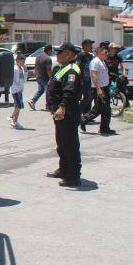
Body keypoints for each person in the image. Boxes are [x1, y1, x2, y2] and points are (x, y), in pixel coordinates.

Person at [45, 42, 83, 187]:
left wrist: (62, 107)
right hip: (60, 114)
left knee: (70, 144)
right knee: (61, 143)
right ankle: (64, 169)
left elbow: (69, 91)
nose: (57, 56)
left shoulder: (72, 70)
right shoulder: (64, 68)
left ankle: (73, 176)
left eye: (59, 53)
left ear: (68, 54)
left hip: (68, 113)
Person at [81, 45, 115, 135]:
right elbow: (94, 75)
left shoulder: (102, 61)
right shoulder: (95, 62)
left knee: (107, 109)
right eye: (105, 52)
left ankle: (104, 128)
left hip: (105, 87)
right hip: (99, 88)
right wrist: (98, 89)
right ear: (99, 53)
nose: (107, 54)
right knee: (99, 109)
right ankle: (83, 120)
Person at [28, 44, 53, 111]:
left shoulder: (38, 56)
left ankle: (32, 101)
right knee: (48, 91)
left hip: (38, 76)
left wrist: (36, 75)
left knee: (41, 90)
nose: (51, 52)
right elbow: (48, 70)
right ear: (49, 50)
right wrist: (51, 78)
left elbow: (35, 66)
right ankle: (48, 107)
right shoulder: (48, 58)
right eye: (51, 51)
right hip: (45, 77)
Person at [106, 42, 128, 107]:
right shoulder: (106, 56)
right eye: (114, 48)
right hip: (107, 75)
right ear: (110, 48)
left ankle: (126, 105)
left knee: (122, 89)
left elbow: (122, 66)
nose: (115, 49)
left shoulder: (118, 56)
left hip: (115, 75)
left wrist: (124, 74)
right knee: (106, 90)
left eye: (116, 48)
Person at [76, 39, 94, 117]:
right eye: (90, 44)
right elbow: (76, 66)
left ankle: (87, 114)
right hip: (83, 80)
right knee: (85, 97)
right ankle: (79, 113)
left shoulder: (90, 55)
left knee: (90, 97)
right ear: (85, 45)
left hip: (90, 80)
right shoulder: (80, 55)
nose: (91, 46)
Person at [9, 54, 26, 128]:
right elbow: (12, 82)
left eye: (24, 61)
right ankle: (14, 120)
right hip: (15, 91)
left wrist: (25, 71)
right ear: (17, 61)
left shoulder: (20, 69)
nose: (23, 63)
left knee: (19, 106)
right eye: (22, 61)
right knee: (18, 106)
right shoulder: (14, 69)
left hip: (20, 91)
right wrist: (17, 89)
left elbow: (24, 80)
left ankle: (13, 119)